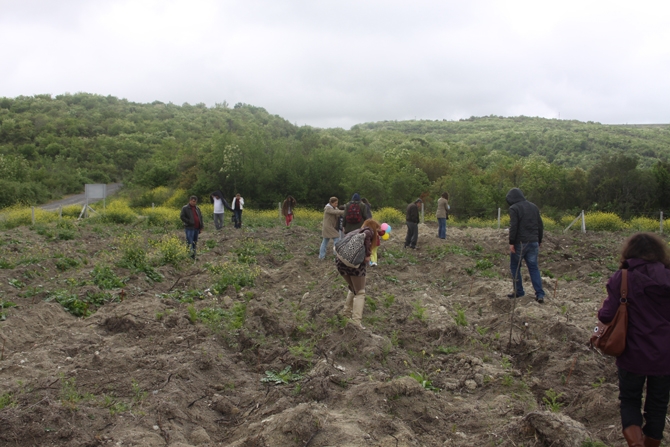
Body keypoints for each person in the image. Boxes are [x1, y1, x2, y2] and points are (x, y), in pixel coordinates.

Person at [598, 233, 670, 447]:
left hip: (632, 353)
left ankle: (636, 444)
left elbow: (606, 315)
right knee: (658, 405)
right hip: (665, 355)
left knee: (630, 400)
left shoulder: (623, 277)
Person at [336, 219, 380, 329]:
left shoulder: (355, 231)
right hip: (355, 267)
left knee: (352, 288)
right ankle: (356, 322)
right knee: (360, 292)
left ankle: (345, 313)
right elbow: (366, 242)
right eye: (378, 230)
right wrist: (368, 255)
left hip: (341, 262)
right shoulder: (369, 232)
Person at [506, 188, 545, 303]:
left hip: (520, 243)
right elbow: (540, 225)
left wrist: (511, 242)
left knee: (515, 266)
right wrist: (539, 239)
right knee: (533, 268)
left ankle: (519, 291)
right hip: (533, 241)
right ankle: (540, 294)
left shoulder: (514, 208)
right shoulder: (533, 207)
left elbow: (514, 226)